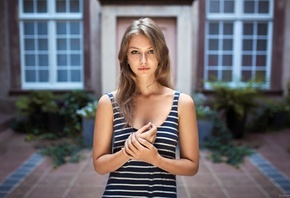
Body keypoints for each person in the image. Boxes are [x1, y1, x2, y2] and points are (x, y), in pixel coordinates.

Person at [93, 17, 199, 197]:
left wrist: (154, 159)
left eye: (150, 51)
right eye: (135, 52)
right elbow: (100, 166)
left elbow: (191, 166)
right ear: (126, 57)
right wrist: (129, 151)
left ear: (161, 55)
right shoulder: (108, 103)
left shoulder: (182, 103)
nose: (143, 60)